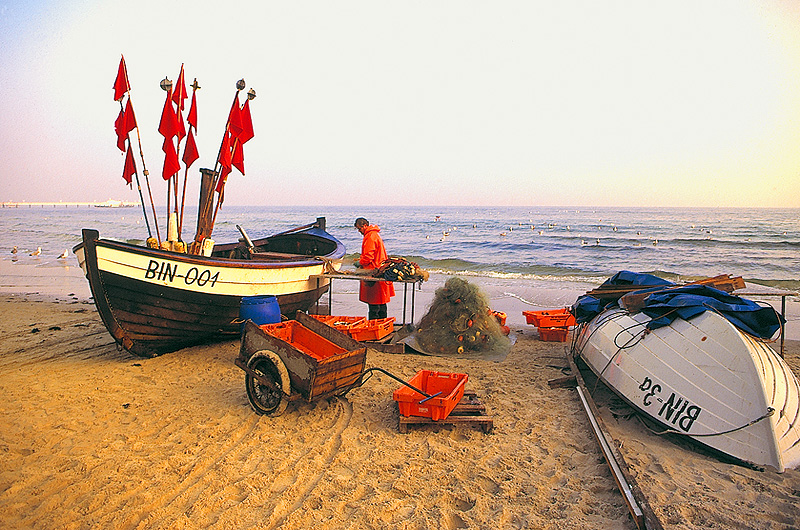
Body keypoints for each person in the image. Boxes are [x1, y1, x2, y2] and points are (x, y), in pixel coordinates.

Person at [354, 217, 395, 319]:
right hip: (380, 269)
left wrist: (360, 263)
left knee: (374, 302)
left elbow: (368, 256)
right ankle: (383, 324)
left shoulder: (370, 236)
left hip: (373, 271)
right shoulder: (375, 234)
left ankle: (373, 325)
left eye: (359, 229)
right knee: (382, 301)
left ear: (365, 226)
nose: (359, 231)